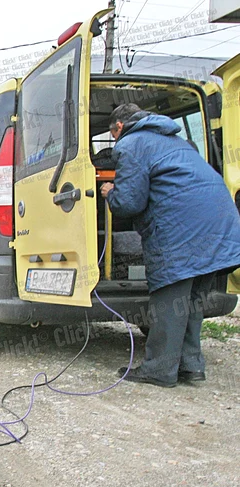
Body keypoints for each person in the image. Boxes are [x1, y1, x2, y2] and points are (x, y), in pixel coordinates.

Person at [100, 103, 240, 388]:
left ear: (119, 128)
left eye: (113, 136)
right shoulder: (176, 141)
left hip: (183, 231)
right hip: (221, 226)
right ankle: (191, 367)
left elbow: (130, 202)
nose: (116, 143)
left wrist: (110, 192)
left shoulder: (132, 142)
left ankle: (159, 370)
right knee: (192, 302)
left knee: (169, 303)